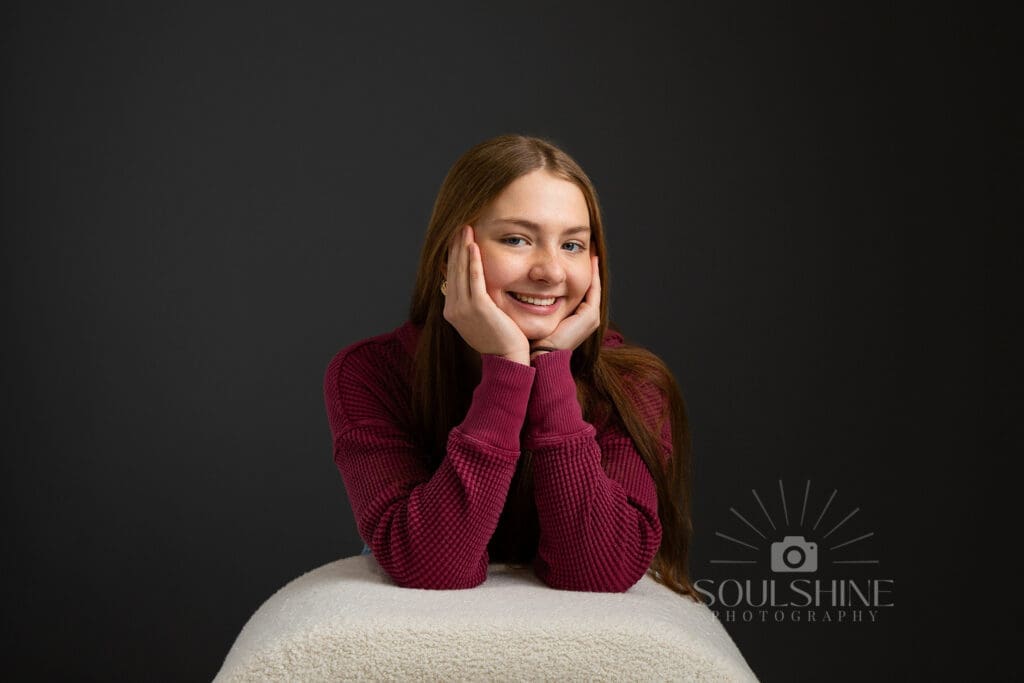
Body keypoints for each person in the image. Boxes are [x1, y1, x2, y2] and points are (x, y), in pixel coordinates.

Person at [323, 134, 697, 598]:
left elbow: (600, 573)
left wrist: (550, 369)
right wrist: (507, 371)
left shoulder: (632, 382)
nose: (552, 272)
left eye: (573, 246)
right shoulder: (370, 373)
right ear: (449, 256)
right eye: (517, 239)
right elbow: (430, 567)